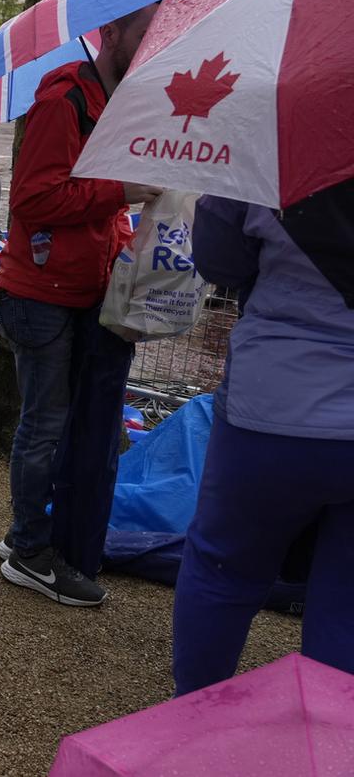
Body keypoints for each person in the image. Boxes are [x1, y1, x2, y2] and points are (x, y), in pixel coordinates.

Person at [0, 4, 163, 607]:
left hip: (82, 292)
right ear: (111, 33)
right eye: (147, 33)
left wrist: (125, 245)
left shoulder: (114, 104)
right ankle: (27, 550)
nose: (154, 46)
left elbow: (96, 210)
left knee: (65, 426)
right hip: (41, 298)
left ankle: (41, 535)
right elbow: (35, 198)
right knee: (44, 426)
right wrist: (120, 191)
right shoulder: (64, 100)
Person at [171, 180, 354, 694]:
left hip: (273, 404)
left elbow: (220, 262)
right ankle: (329, 746)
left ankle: (193, 724)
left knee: (223, 570)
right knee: (347, 600)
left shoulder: (272, 149)